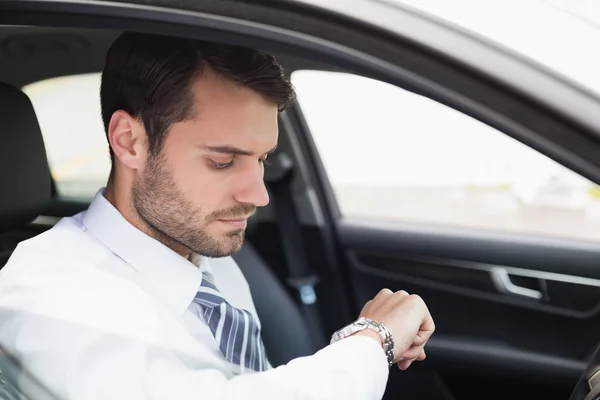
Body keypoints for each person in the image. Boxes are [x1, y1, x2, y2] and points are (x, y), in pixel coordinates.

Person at [0, 32, 434, 400]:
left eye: (262, 159)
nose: (259, 195)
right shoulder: (47, 292)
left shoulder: (206, 259)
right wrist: (374, 339)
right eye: (223, 162)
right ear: (129, 141)